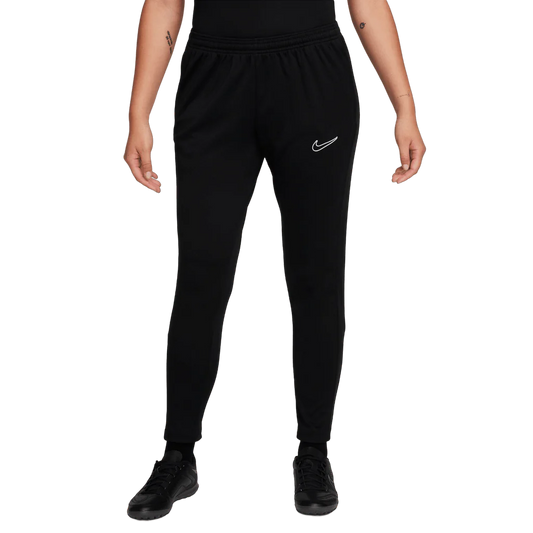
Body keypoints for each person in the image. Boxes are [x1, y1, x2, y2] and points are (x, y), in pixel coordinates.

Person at [123, 0, 429, 522]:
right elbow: (165, 4)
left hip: (311, 78)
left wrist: (404, 105)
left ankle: (313, 452)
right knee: (200, 273)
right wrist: (137, 112)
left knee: (317, 272)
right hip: (212, 81)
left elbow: (365, 2)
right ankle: (178, 455)